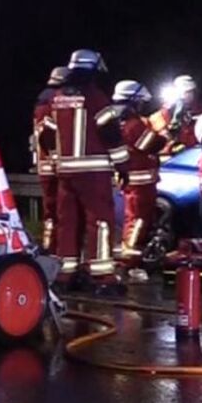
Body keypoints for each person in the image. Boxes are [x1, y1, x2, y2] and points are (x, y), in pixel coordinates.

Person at [48, 50, 125, 290]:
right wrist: (123, 165)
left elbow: (47, 135)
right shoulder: (96, 97)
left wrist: (57, 160)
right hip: (93, 172)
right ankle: (102, 275)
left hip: (65, 173)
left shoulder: (58, 97)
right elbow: (110, 132)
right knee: (100, 221)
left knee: (67, 222)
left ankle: (65, 273)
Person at [103, 80, 161, 269]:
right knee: (137, 219)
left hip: (130, 179)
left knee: (134, 218)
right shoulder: (133, 125)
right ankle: (131, 256)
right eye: (140, 102)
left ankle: (132, 253)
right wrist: (167, 136)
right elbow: (150, 144)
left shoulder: (115, 123)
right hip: (140, 182)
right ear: (133, 101)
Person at [30, 67, 68, 249]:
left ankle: (49, 245)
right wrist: (57, 157)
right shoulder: (52, 103)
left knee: (50, 210)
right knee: (59, 211)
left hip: (45, 164)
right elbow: (50, 134)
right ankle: (55, 247)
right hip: (54, 166)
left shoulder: (41, 102)